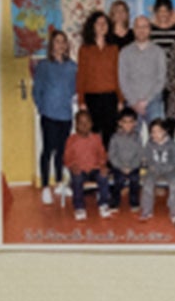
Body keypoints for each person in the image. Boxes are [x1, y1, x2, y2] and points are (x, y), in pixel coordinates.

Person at [30, 28, 77, 205]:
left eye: (63, 42)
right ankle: (45, 187)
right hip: (48, 114)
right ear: (52, 45)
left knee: (62, 151)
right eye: (57, 41)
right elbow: (37, 90)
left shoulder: (72, 66)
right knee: (48, 150)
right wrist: (42, 108)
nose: (61, 45)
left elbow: (74, 89)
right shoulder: (44, 66)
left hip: (65, 114)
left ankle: (59, 182)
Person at [76, 12, 121, 141]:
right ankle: (94, 162)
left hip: (110, 96)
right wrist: (81, 100)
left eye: (104, 23)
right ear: (92, 26)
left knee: (110, 135)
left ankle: (108, 162)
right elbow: (81, 76)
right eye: (98, 23)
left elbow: (117, 74)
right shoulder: (84, 49)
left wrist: (120, 99)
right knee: (93, 136)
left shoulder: (114, 49)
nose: (102, 26)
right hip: (92, 97)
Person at [118, 16, 167, 127]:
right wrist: (134, 102)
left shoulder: (159, 51)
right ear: (133, 29)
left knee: (159, 136)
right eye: (138, 27)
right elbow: (123, 80)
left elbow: (161, 79)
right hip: (131, 103)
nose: (141, 30)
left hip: (154, 101)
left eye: (145, 26)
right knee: (132, 140)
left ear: (150, 29)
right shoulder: (125, 52)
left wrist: (146, 101)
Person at [64, 110, 108, 221]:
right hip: (79, 169)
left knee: (103, 176)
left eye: (87, 122)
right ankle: (79, 207)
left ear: (92, 124)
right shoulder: (71, 140)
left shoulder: (96, 138)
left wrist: (102, 165)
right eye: (81, 123)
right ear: (76, 125)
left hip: (94, 168)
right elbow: (66, 158)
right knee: (77, 179)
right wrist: (72, 166)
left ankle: (103, 204)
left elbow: (102, 154)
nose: (84, 125)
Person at [105, 108, 145, 214]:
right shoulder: (115, 138)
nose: (128, 125)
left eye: (131, 122)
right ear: (119, 123)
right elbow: (112, 155)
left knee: (135, 179)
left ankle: (134, 202)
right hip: (119, 167)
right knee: (118, 180)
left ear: (135, 123)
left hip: (133, 166)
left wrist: (132, 166)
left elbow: (140, 154)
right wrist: (121, 167)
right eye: (125, 122)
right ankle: (115, 201)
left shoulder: (138, 137)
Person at [139, 118, 175, 221]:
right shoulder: (149, 144)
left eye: (159, 131)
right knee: (147, 184)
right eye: (153, 132)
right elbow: (147, 159)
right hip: (153, 169)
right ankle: (146, 211)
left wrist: (167, 169)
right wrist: (151, 167)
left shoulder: (172, 144)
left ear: (165, 131)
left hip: (170, 170)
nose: (155, 135)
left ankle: (174, 211)